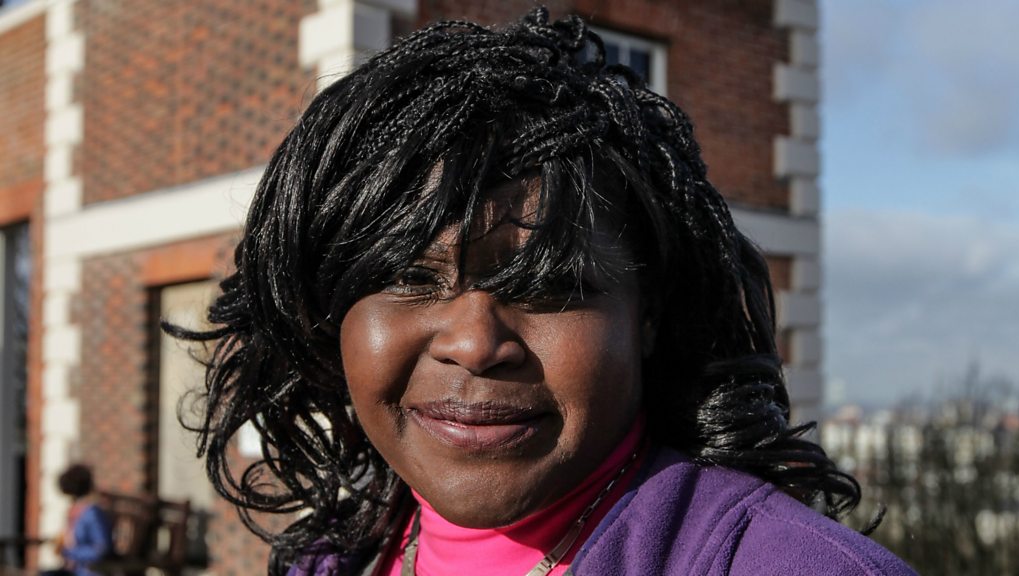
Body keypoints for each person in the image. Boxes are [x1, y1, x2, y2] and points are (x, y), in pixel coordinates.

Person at [168, 7, 917, 575]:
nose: (474, 343)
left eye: (549, 286)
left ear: (648, 316)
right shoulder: (335, 561)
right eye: (409, 279)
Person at [40, 464, 112, 576]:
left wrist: (68, 552)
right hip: (74, 570)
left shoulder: (92, 513)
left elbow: (101, 549)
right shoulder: (75, 511)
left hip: (88, 571)